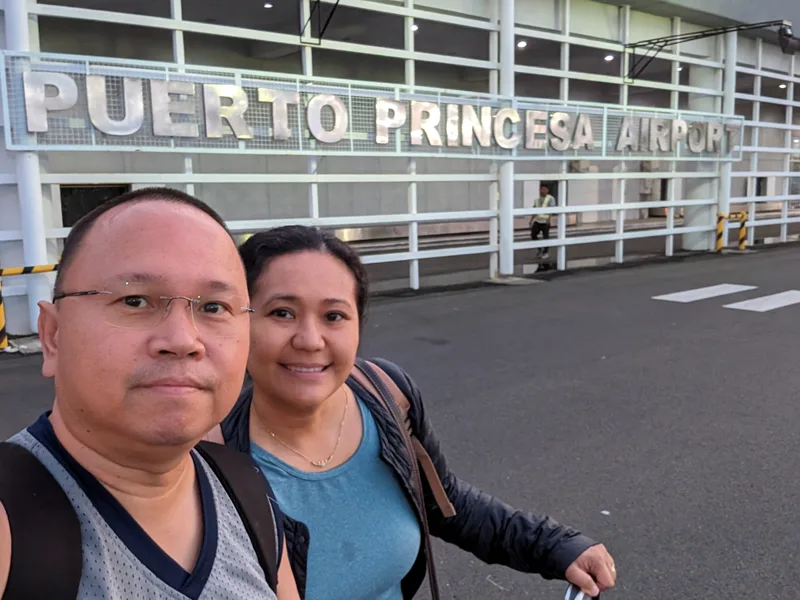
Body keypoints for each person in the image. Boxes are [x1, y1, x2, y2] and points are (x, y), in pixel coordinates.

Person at [216, 225, 617, 600]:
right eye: (282, 313)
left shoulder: (386, 395)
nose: (309, 340)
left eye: (334, 316)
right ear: (240, 321)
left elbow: (446, 503)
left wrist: (555, 546)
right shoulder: (205, 456)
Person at [0, 188, 300, 600]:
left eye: (214, 307)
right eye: (135, 300)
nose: (182, 340)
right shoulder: (10, 529)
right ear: (53, 335)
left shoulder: (246, 491)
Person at [530, 184, 556, 259]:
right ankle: (539, 248)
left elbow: (552, 209)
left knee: (546, 237)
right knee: (533, 235)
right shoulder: (536, 199)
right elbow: (534, 210)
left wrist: (548, 219)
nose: (542, 190)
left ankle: (546, 252)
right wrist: (531, 220)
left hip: (545, 221)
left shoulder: (550, 198)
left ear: (547, 190)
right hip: (537, 221)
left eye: (544, 189)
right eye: (541, 189)